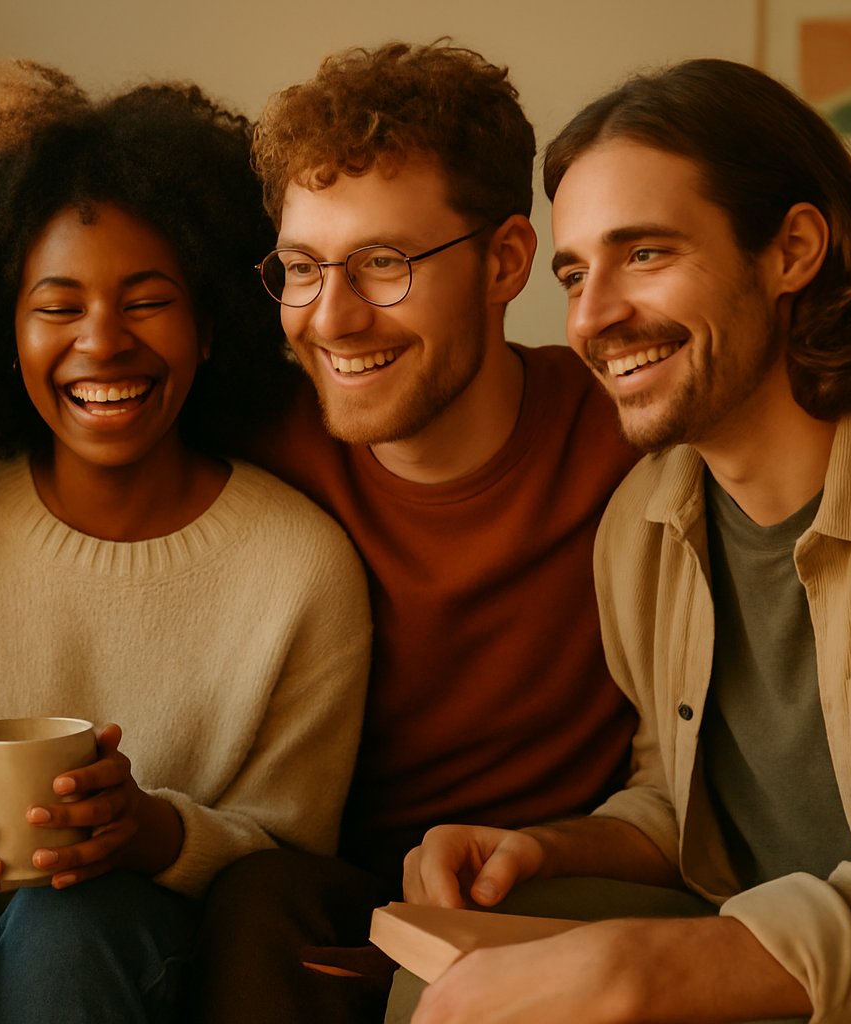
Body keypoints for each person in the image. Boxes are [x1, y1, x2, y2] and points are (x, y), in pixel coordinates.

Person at [393, 57, 851, 1024]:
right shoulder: (642, 524)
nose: (591, 317)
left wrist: (640, 973)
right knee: (444, 975)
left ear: (792, 249)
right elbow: (688, 800)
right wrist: (546, 848)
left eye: (644, 253)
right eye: (575, 271)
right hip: (769, 960)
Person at [0, 64, 371, 1024]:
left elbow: (291, 849)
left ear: (210, 322)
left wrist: (148, 833)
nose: (102, 343)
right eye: (57, 307)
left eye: (147, 300)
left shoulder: (301, 567)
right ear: (2, 329)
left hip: (139, 950)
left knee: (70, 926)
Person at [194, 40, 641, 1023]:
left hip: (560, 884)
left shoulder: (630, 435)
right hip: (329, 891)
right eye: (302, 268)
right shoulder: (252, 448)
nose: (333, 317)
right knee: (259, 905)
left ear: (507, 261)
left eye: (383, 264)